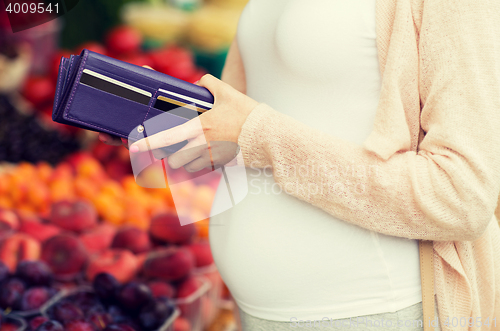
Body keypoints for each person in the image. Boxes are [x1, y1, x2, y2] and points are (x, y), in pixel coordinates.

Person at [100, 0, 500, 330]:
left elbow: (460, 195)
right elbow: (246, 134)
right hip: (256, 310)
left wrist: (259, 136)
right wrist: (170, 119)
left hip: (366, 309)